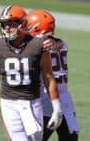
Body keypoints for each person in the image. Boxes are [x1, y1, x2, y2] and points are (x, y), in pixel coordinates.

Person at [0, 5, 63, 141]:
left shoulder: (39, 45)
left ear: (23, 23)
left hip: (33, 103)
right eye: (4, 25)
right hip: (9, 103)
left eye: (11, 24)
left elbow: (49, 78)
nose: (7, 28)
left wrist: (57, 108)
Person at [27, 10, 80, 141]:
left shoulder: (36, 47)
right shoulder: (62, 44)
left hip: (46, 101)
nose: (26, 29)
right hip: (66, 102)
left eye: (29, 26)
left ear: (37, 27)